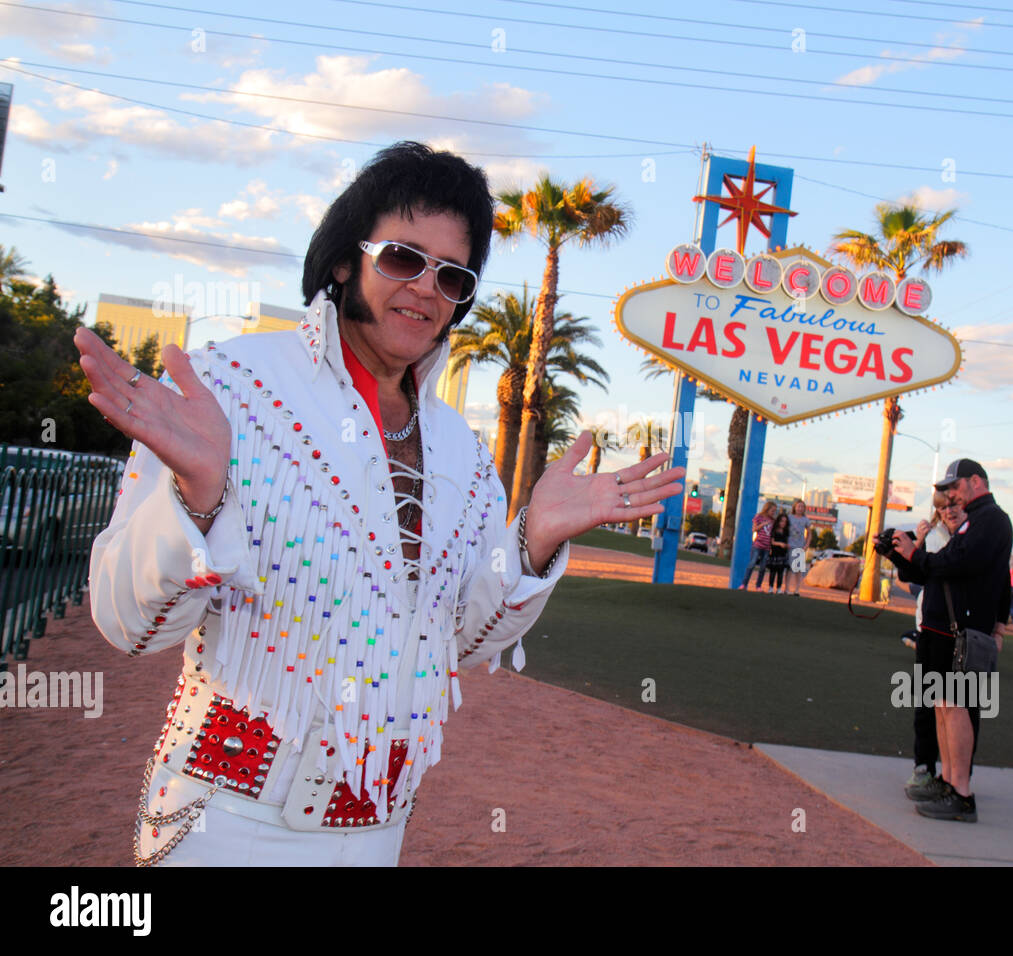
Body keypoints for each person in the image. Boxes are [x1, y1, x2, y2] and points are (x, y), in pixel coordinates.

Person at [74, 142, 685, 866]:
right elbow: (129, 624)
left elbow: (457, 639)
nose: (426, 289)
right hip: (222, 819)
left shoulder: (461, 450)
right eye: (402, 257)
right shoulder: (225, 389)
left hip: (375, 830)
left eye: (453, 275)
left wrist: (532, 542)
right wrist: (196, 498)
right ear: (343, 260)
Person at [887, 459, 1012, 823]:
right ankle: (948, 781)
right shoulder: (978, 519)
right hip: (944, 630)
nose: (951, 497)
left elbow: (957, 564)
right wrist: (906, 554)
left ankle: (961, 792)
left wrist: (915, 553)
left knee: (955, 708)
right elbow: (941, 567)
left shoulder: (991, 519)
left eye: (954, 488)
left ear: (976, 481)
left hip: (962, 633)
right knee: (944, 707)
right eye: (946, 495)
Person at [900, 490, 964, 796]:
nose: (948, 511)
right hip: (930, 627)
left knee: (962, 707)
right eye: (942, 506)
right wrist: (914, 547)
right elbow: (910, 574)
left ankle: (957, 779)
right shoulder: (932, 535)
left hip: (964, 634)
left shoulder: (975, 537)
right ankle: (924, 767)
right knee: (928, 704)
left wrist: (999, 629)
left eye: (954, 504)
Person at [740, 501, 776, 589]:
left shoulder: (773, 521)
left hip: (767, 547)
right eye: (772, 510)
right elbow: (754, 529)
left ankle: (758, 585)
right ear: (767, 509)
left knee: (763, 567)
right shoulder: (759, 517)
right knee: (752, 564)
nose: (773, 512)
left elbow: (773, 534)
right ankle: (744, 584)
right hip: (758, 545)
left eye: (775, 511)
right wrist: (763, 524)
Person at [784, 499, 812, 596]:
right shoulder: (789, 517)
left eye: (802, 507)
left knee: (798, 569)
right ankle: (786, 588)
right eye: (798, 506)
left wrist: (806, 545)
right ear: (794, 507)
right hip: (790, 545)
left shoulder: (806, 520)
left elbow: (809, 533)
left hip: (800, 546)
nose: (800, 508)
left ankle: (797, 589)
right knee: (789, 568)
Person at [767, 512, 791, 593]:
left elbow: (787, 542)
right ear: (778, 521)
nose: (783, 523)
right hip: (775, 554)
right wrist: (780, 544)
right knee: (773, 572)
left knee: (780, 573)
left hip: (783, 554)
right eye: (781, 521)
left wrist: (786, 545)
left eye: (785, 521)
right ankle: (770, 587)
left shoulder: (786, 532)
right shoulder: (774, 530)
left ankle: (779, 588)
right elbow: (772, 542)